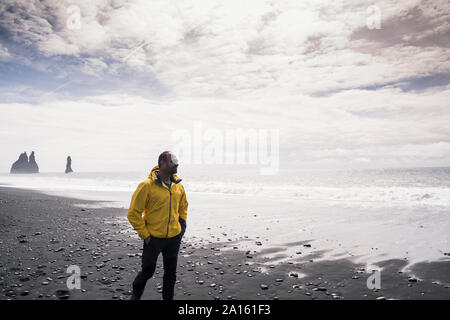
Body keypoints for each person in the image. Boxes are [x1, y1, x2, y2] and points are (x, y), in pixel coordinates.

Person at [127, 151, 188, 300]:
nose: (176, 163)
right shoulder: (146, 186)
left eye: (176, 160)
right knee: (148, 271)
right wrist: (145, 235)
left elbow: (183, 206)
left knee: (170, 275)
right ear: (162, 163)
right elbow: (133, 213)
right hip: (153, 239)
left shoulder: (178, 186)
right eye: (172, 160)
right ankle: (136, 293)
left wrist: (182, 226)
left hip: (174, 238)